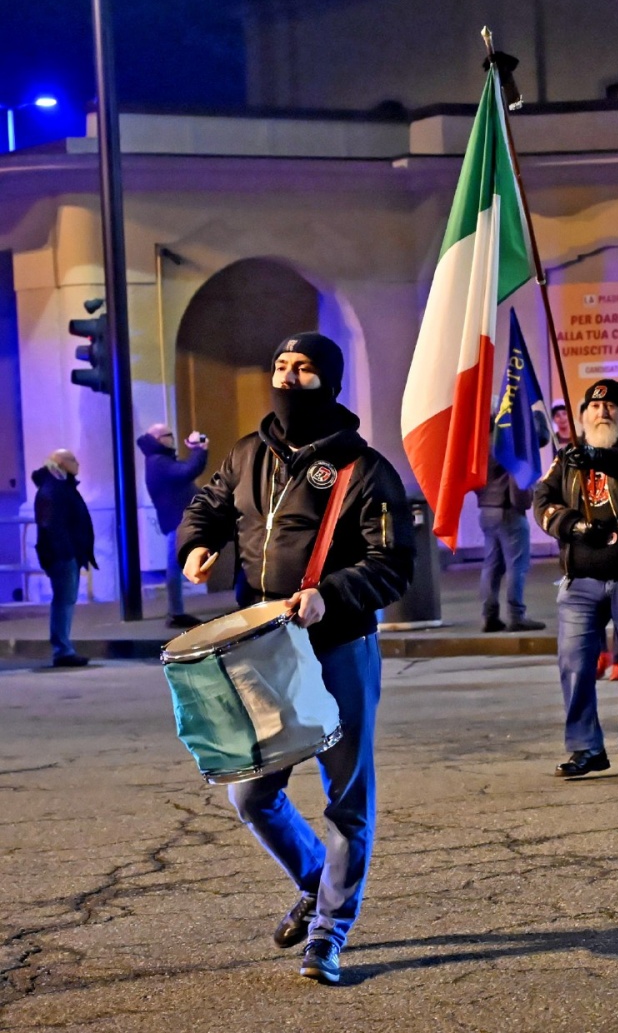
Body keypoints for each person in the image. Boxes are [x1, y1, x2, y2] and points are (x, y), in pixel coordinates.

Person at [178, 332, 415, 984]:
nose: (287, 376)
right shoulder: (250, 452)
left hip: (338, 648)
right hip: (264, 649)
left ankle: (329, 933)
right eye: (281, 367)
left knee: (347, 800)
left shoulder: (364, 469)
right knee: (251, 792)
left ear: (328, 381)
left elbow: (392, 565)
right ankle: (317, 880)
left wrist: (328, 595)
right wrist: (197, 542)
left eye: (303, 368)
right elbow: (209, 503)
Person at [534, 378, 618, 779]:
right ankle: (586, 747)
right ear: (582, 416)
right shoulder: (567, 457)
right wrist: (573, 526)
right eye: (593, 407)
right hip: (581, 581)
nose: (602, 412)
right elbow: (542, 499)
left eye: (611, 406)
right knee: (574, 666)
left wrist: (596, 456)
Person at [137, 423, 209, 629]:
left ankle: (176, 612)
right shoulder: (158, 461)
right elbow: (187, 471)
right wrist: (198, 449)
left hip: (179, 519)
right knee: (174, 566)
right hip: (178, 520)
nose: (173, 438)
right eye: (169, 435)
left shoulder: (159, 460)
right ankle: (176, 613)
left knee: (176, 565)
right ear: (159, 439)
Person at [32, 449, 94, 668]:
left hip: (68, 553)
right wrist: (66, 551)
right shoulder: (52, 489)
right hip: (62, 555)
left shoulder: (61, 486)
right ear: (60, 463)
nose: (77, 463)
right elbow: (52, 526)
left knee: (66, 600)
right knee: (63, 601)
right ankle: (62, 650)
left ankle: (64, 648)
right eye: (72, 460)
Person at [475, 459, 545, 633]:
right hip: (508, 509)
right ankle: (516, 616)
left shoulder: (480, 440)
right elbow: (542, 437)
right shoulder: (508, 436)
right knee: (517, 566)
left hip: (487, 509)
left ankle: (489, 617)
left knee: (491, 566)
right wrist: (524, 501)